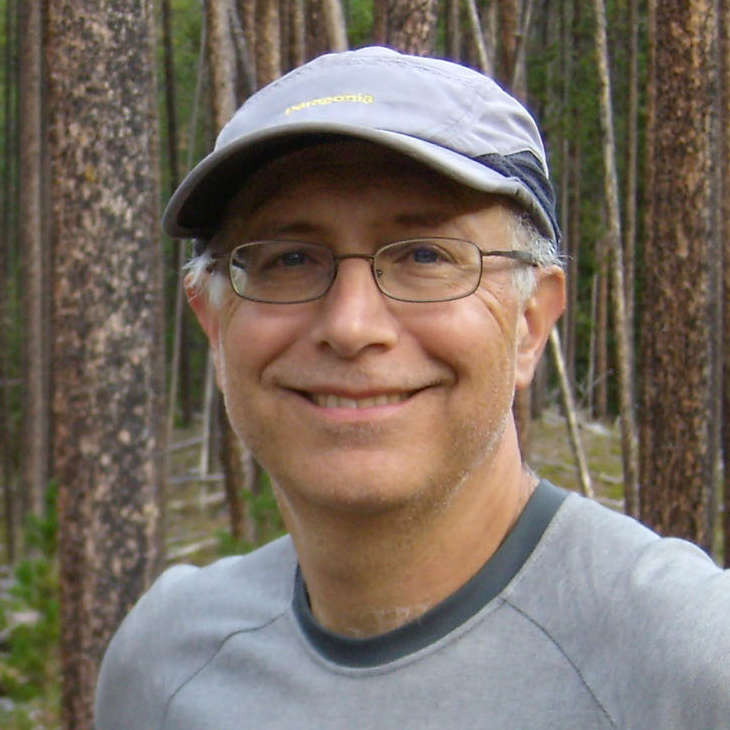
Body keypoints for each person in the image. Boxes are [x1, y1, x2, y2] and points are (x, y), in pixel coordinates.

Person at [94, 47, 729, 729]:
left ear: (530, 324)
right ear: (215, 322)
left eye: (426, 256)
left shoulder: (687, 666)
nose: (351, 325)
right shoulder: (164, 664)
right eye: (288, 259)